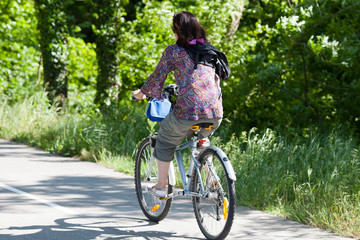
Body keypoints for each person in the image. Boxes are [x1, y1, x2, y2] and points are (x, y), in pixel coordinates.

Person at [132, 11, 229, 197]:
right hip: (215, 112)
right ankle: (212, 178)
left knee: (164, 141)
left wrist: (141, 94)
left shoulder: (174, 51)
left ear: (178, 30)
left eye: (173, 29)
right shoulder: (209, 50)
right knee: (201, 140)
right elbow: (202, 81)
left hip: (188, 112)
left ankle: (161, 186)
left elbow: (157, 77)